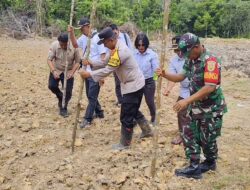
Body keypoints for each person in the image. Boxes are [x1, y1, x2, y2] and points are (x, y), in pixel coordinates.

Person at [156, 33, 227, 179]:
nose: (186, 56)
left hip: (211, 109)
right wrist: (165, 74)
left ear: (197, 47)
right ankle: (194, 166)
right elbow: (181, 76)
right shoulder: (191, 58)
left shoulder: (210, 61)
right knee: (188, 133)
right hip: (195, 106)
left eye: (188, 52)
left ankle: (210, 162)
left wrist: (186, 100)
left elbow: (210, 87)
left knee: (207, 139)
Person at [79, 27, 153, 150]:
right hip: (130, 84)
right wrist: (91, 63)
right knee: (132, 109)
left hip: (133, 86)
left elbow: (108, 69)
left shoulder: (121, 51)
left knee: (126, 115)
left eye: (105, 43)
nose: (104, 46)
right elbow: (105, 62)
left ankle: (125, 143)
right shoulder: (114, 49)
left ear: (111, 40)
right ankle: (147, 130)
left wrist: (90, 74)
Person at [68, 18, 106, 128]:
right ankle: (99, 112)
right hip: (86, 72)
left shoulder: (98, 38)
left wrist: (99, 73)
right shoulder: (84, 37)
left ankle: (87, 119)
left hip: (95, 72)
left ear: (88, 26)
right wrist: (71, 33)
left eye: (82, 28)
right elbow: (75, 45)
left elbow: (103, 59)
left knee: (92, 97)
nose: (81, 30)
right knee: (90, 95)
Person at [163, 36, 190, 145]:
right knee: (180, 111)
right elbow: (173, 77)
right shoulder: (174, 61)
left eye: (179, 49)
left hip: (197, 90)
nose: (178, 52)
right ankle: (182, 134)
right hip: (185, 90)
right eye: (176, 50)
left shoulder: (191, 57)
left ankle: (194, 135)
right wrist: (168, 89)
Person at [47, 32, 80, 117]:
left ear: (68, 42)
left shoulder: (74, 47)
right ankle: (60, 96)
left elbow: (77, 62)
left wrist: (72, 72)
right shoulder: (54, 45)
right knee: (52, 86)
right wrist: (53, 71)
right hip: (56, 69)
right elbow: (49, 60)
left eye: (65, 45)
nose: (63, 47)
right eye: (62, 45)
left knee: (68, 92)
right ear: (59, 42)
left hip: (68, 71)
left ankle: (63, 108)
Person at [134, 33, 159, 123]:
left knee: (149, 101)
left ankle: (154, 118)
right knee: (135, 102)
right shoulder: (133, 54)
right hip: (137, 81)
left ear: (146, 44)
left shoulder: (152, 55)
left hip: (149, 81)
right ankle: (136, 119)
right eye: (139, 45)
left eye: (143, 45)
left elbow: (156, 70)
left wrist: (154, 80)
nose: (140, 47)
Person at [109, 23, 133, 107]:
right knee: (117, 83)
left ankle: (127, 100)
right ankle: (120, 101)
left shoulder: (125, 37)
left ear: (118, 30)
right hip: (116, 64)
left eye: (115, 33)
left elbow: (131, 49)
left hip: (125, 64)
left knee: (126, 83)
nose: (114, 35)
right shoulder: (110, 39)